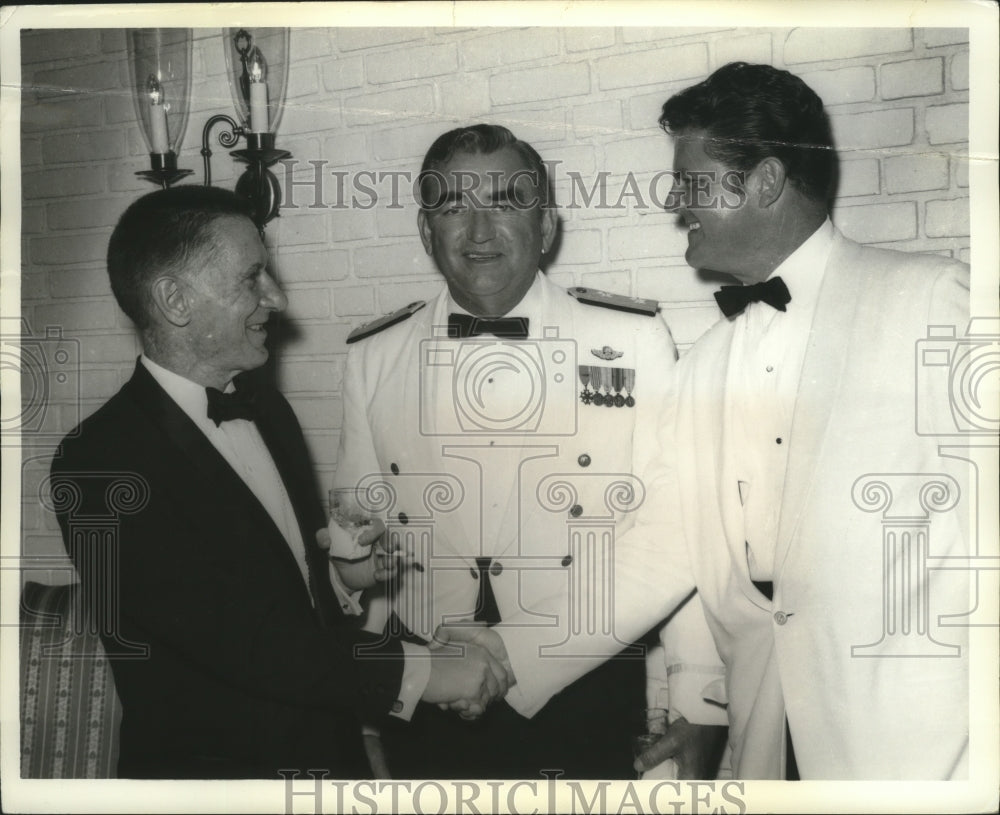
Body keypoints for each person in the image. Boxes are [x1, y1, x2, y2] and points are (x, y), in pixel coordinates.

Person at [451, 63, 971, 780]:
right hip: (768, 748)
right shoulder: (700, 368)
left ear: (762, 181)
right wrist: (507, 652)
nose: (674, 200)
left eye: (691, 180)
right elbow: (658, 551)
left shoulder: (931, 302)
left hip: (924, 755)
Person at [48, 186, 509, 779]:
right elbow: (248, 644)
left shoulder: (268, 409)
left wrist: (342, 580)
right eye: (252, 277)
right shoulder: (97, 463)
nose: (278, 297)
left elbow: (292, 613)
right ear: (174, 300)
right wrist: (428, 672)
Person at [328, 124, 728, 779]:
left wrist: (700, 701)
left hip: (584, 689)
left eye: (507, 203)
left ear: (545, 227)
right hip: (428, 707)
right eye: (454, 206)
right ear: (426, 231)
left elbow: (675, 532)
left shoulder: (630, 339)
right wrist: (355, 592)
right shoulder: (372, 356)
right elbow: (357, 547)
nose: (479, 231)